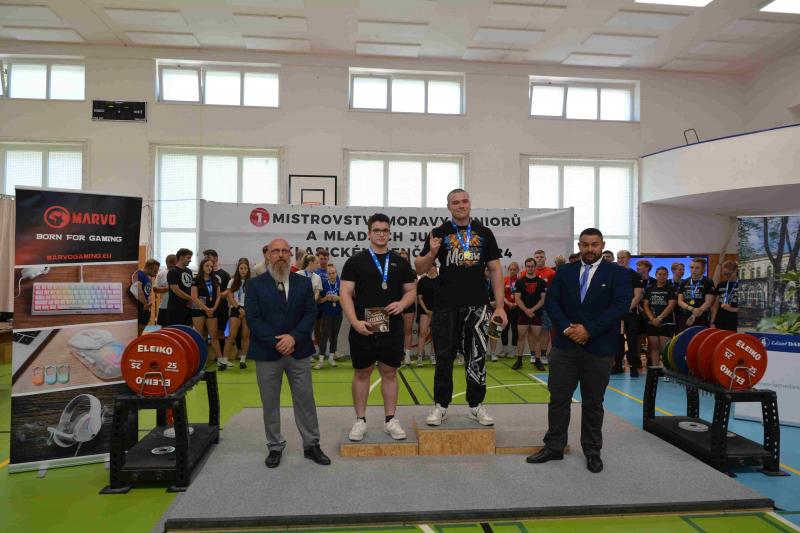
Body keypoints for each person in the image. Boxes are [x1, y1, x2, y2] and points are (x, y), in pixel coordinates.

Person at [527, 228, 631, 474]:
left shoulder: (618, 273)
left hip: (599, 348)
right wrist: (566, 329)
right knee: (558, 399)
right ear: (579, 246)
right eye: (585, 244)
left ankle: (592, 451)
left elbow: (620, 306)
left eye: (594, 244)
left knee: (593, 402)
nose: (589, 249)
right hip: (565, 347)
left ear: (602, 245)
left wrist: (589, 330)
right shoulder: (564, 272)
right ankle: (554, 446)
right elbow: (552, 303)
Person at [415, 189, 507, 427]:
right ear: (449, 206)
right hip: (445, 305)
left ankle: (476, 406)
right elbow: (419, 268)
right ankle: (441, 406)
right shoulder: (438, 233)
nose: (461, 205)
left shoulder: (484, 233)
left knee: (476, 356)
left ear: (470, 203)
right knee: (443, 357)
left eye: (464, 201)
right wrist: (432, 252)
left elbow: (495, 269)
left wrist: (499, 306)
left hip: (478, 305)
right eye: (455, 202)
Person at [246, 238, 330, 469]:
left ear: (291, 255)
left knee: (305, 400)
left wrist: (293, 337)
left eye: (285, 251)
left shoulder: (303, 283)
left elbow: (310, 314)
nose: (281, 255)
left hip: (298, 350)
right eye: (276, 251)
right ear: (268, 255)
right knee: (270, 402)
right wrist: (277, 341)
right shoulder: (254, 285)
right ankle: (274, 446)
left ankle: (311, 445)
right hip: (267, 352)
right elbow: (253, 319)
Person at [340, 213, 417, 441]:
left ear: (389, 233)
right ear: (369, 233)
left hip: (392, 327)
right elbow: (345, 293)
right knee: (362, 372)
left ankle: (390, 420)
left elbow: (411, 291)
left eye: (385, 230)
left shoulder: (401, 262)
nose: (381, 234)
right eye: (377, 230)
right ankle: (360, 421)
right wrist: (355, 322)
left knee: (390, 373)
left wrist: (402, 303)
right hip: (363, 326)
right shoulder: (355, 262)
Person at [512, 258, 547, 371]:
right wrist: (526, 310)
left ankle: (538, 361)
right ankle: (519, 361)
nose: (530, 268)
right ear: (525, 267)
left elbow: (543, 299)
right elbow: (517, 298)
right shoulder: (520, 282)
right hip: (523, 314)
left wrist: (532, 310)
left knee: (537, 338)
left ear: (535, 267)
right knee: (521, 337)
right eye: (528, 266)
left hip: (536, 314)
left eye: (532, 266)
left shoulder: (541, 282)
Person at [613, 250, 644, 377]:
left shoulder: (635, 275)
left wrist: (625, 309)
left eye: (623, 257)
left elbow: (638, 296)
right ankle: (617, 365)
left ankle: (634, 366)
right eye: (618, 257)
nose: (620, 260)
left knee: (632, 341)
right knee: (617, 340)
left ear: (629, 259)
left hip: (630, 313)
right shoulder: (613, 274)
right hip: (616, 313)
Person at [191, 257, 225, 369]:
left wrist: (213, 308)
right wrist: (206, 309)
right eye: (207, 266)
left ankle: (220, 360)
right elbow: (194, 297)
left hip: (212, 310)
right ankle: (201, 361)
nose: (209, 268)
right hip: (198, 309)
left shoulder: (215, 280)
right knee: (201, 336)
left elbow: (219, 295)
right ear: (202, 266)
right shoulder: (196, 279)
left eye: (211, 266)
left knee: (214, 336)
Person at [642, 266, 677, 367]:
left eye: (664, 274)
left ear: (667, 276)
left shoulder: (671, 288)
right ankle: (655, 369)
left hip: (666, 322)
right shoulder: (650, 288)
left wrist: (659, 318)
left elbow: (671, 305)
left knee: (664, 348)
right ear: (656, 275)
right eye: (659, 274)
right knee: (654, 347)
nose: (662, 276)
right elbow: (645, 305)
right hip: (652, 322)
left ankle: (667, 370)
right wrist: (652, 319)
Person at [223, 258, 251, 369]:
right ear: (238, 269)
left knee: (245, 336)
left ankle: (243, 359)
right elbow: (230, 297)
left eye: (245, 268)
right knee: (231, 335)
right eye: (241, 268)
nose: (243, 270)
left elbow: (253, 298)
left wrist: (245, 310)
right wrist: (239, 308)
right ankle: (224, 360)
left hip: (247, 309)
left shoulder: (251, 282)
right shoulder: (232, 281)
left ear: (248, 270)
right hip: (236, 308)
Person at [204, 249, 231, 360]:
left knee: (220, 332)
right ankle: (204, 356)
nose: (206, 259)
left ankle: (221, 357)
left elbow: (229, 290)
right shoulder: (204, 274)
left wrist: (219, 295)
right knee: (205, 332)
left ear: (215, 258)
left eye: (208, 257)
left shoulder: (225, 274)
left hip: (221, 308)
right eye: (205, 257)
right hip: (207, 308)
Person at [677, 257, 716, 332]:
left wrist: (694, 315)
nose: (694, 270)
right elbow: (680, 301)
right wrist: (692, 309)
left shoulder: (708, 282)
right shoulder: (684, 282)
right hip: (685, 316)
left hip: (701, 316)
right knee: (684, 338)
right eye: (692, 267)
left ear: (703, 269)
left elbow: (708, 302)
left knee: (700, 338)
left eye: (697, 268)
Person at [533, 250, 556, 365]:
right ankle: (533, 354)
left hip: (546, 306)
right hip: (532, 307)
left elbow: (555, 289)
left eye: (541, 257)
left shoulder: (551, 272)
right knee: (532, 331)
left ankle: (543, 355)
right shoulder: (528, 272)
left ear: (545, 258)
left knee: (545, 331)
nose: (539, 259)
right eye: (537, 257)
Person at [318, 263, 343, 369]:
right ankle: (320, 360)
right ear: (327, 275)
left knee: (334, 336)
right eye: (329, 273)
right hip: (326, 314)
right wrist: (326, 298)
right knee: (324, 336)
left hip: (338, 314)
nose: (332, 275)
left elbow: (347, 299)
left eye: (333, 273)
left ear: (336, 273)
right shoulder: (323, 284)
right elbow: (319, 301)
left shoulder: (341, 284)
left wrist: (339, 298)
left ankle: (331, 358)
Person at [416, 264, 439, 367]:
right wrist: (426, 310)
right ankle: (419, 357)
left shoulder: (440, 280)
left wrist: (437, 310)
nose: (430, 268)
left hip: (437, 311)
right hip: (425, 311)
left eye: (432, 266)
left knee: (435, 334)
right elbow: (420, 298)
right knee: (422, 333)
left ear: (435, 267)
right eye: (428, 267)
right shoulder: (422, 281)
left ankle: (433, 356)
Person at [398, 249, 418, 365]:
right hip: (396, 304)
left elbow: (414, 290)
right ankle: (397, 354)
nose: (403, 260)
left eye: (405, 258)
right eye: (401, 258)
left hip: (409, 305)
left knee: (408, 330)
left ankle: (407, 356)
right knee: (397, 330)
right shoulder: (393, 271)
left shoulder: (412, 272)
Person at [497, 262, 520, 360]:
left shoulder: (520, 281)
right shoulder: (504, 280)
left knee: (515, 329)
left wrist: (516, 304)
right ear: (508, 270)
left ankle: (513, 351)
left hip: (517, 308)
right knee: (504, 329)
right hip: (506, 308)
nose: (512, 271)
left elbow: (522, 295)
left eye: (514, 269)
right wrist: (508, 303)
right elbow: (501, 294)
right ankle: (505, 350)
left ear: (518, 270)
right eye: (511, 269)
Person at [167, 248, 194, 327]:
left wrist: (191, 300)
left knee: (188, 330)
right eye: (188, 257)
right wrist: (191, 298)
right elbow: (176, 290)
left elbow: (191, 287)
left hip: (188, 307)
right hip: (176, 308)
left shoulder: (189, 271)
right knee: (176, 330)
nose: (190, 260)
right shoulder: (172, 272)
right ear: (181, 257)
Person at [711, 260, 739, 332]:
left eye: (729, 274)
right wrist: (712, 321)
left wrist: (733, 309)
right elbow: (716, 305)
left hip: (735, 322)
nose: (726, 276)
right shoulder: (721, 285)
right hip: (720, 321)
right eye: (724, 274)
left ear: (736, 270)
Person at [133, 259, 159, 335]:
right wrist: (145, 304)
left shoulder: (147, 278)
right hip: (139, 306)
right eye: (155, 271)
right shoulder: (139, 274)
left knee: (141, 330)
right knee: (137, 331)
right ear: (149, 268)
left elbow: (146, 293)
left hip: (145, 307)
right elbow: (139, 291)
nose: (156, 273)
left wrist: (148, 303)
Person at [154, 254, 175, 326]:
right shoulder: (161, 274)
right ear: (166, 263)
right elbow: (155, 289)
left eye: (173, 263)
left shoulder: (180, 273)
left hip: (178, 307)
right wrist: (168, 288)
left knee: (178, 329)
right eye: (169, 264)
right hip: (164, 306)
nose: (171, 265)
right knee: (164, 329)